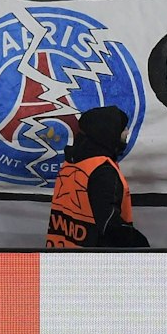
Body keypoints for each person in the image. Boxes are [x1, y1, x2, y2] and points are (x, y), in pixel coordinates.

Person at [45, 105, 148, 248]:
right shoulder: (102, 170)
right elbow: (110, 226)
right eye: (123, 128)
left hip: (63, 255)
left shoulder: (71, 162)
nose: (127, 132)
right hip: (95, 262)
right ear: (109, 132)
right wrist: (141, 246)